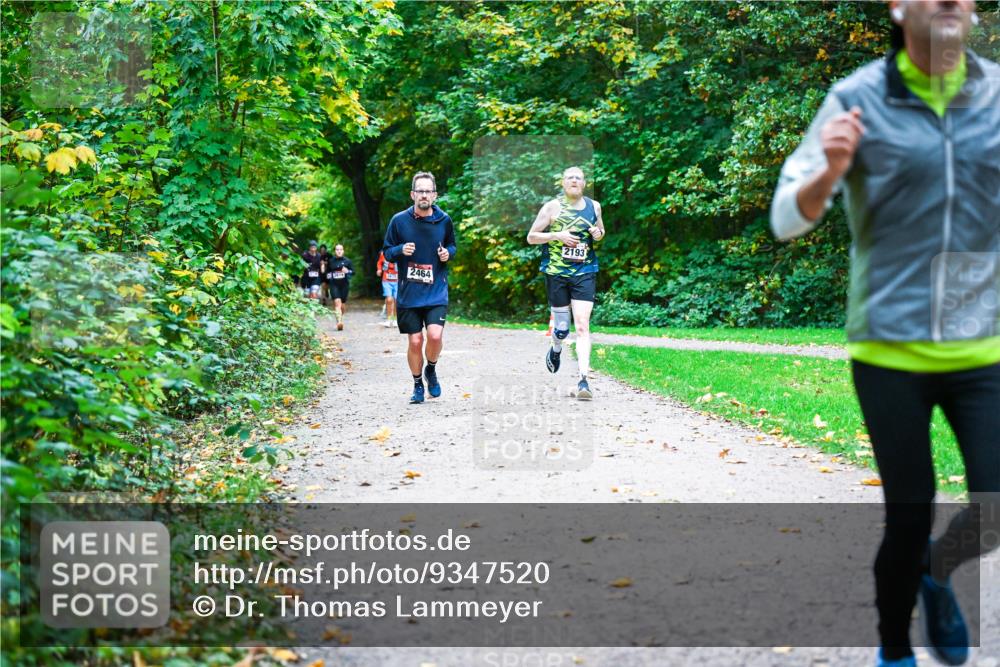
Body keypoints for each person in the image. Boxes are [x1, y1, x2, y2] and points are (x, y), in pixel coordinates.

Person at [770, 2, 999, 665]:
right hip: (890, 345)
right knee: (908, 511)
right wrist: (829, 172)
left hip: (984, 342)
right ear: (898, 6)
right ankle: (895, 650)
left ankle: (936, 567)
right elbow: (786, 218)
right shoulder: (857, 98)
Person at [526, 166, 606, 400]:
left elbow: (601, 231)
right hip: (556, 273)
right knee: (561, 329)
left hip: (585, 271)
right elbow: (531, 237)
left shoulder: (594, 206)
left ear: (584, 183)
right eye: (570, 177)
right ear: (563, 183)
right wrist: (556, 235)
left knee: (582, 325)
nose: (574, 180)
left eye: (578, 178)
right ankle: (556, 347)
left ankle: (583, 380)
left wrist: (598, 234)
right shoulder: (552, 207)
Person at [382, 171, 456, 404]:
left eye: (428, 191)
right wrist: (400, 249)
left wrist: (447, 254)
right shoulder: (398, 221)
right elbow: (387, 252)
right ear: (413, 194)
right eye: (420, 191)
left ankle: (430, 369)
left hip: (436, 291)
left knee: (434, 336)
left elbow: (452, 246)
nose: (424, 195)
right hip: (409, 292)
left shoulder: (444, 220)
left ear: (434, 195)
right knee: (415, 341)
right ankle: (417, 385)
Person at [326, 244, 354, 331]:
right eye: (337, 250)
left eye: (340, 249)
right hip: (334, 284)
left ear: (343, 251)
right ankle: (339, 322)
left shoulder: (348, 261)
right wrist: (329, 276)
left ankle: (340, 318)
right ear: (335, 251)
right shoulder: (331, 261)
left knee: (342, 305)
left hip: (344, 285)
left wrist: (348, 271)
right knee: (337, 302)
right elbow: (327, 273)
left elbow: (353, 272)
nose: (339, 251)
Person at [377, 250, 398, 328]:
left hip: (397, 281)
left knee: (396, 300)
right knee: (389, 299)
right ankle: (389, 320)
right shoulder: (384, 253)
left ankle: (395, 319)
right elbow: (379, 262)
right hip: (386, 280)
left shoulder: (400, 252)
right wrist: (379, 269)